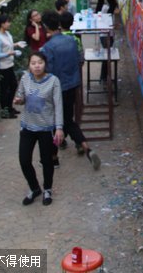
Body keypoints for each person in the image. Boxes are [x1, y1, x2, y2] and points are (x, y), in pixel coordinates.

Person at [40, 10, 100, 170]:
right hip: (72, 85)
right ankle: (86, 148)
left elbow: (48, 71)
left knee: (55, 123)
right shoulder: (72, 41)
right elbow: (79, 60)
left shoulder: (47, 48)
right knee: (68, 120)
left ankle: (54, 158)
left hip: (56, 89)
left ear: (46, 26)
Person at [13, 52, 64, 206]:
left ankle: (47, 189)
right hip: (27, 126)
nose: (37, 66)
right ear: (29, 65)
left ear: (45, 64)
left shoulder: (53, 81)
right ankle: (34, 187)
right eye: (33, 63)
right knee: (24, 160)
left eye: (40, 62)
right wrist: (19, 100)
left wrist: (59, 128)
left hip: (46, 128)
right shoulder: (25, 78)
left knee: (47, 161)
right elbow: (21, 97)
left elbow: (58, 105)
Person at [0, 13, 24, 119]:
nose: (9, 24)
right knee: (5, 89)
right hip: (2, 67)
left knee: (13, 85)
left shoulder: (7, 33)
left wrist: (16, 44)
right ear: (2, 24)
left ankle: (9, 107)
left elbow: (7, 45)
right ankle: (5, 111)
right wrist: (11, 53)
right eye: (7, 22)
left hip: (9, 64)